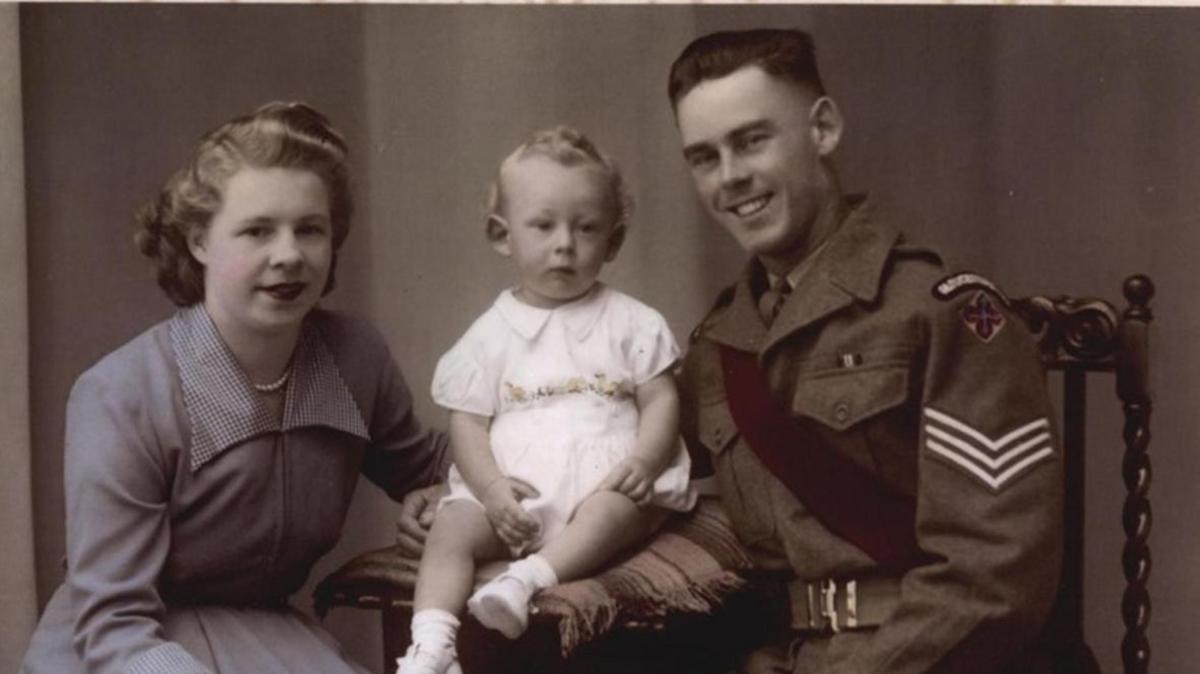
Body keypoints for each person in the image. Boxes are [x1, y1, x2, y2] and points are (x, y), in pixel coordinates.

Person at [669, 29, 1064, 673]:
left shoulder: (946, 313)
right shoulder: (719, 345)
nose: (731, 177)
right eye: (703, 157)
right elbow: (629, 487)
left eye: (751, 140)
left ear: (822, 129)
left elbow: (994, 580)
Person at [20, 102, 449, 674]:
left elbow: (427, 464)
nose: (289, 255)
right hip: (128, 649)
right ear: (199, 241)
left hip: (266, 635)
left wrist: (447, 493)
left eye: (310, 229)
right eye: (257, 230)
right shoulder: (120, 394)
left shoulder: (354, 356)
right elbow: (111, 622)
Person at [398, 126, 696, 674]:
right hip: (517, 495)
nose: (565, 244)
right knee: (450, 529)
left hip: (602, 481)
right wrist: (489, 493)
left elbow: (660, 401)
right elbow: (468, 425)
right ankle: (432, 644)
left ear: (615, 240)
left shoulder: (632, 322)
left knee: (616, 511)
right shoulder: (489, 335)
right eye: (543, 225)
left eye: (586, 228)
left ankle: (526, 579)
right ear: (501, 234)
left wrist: (643, 461)